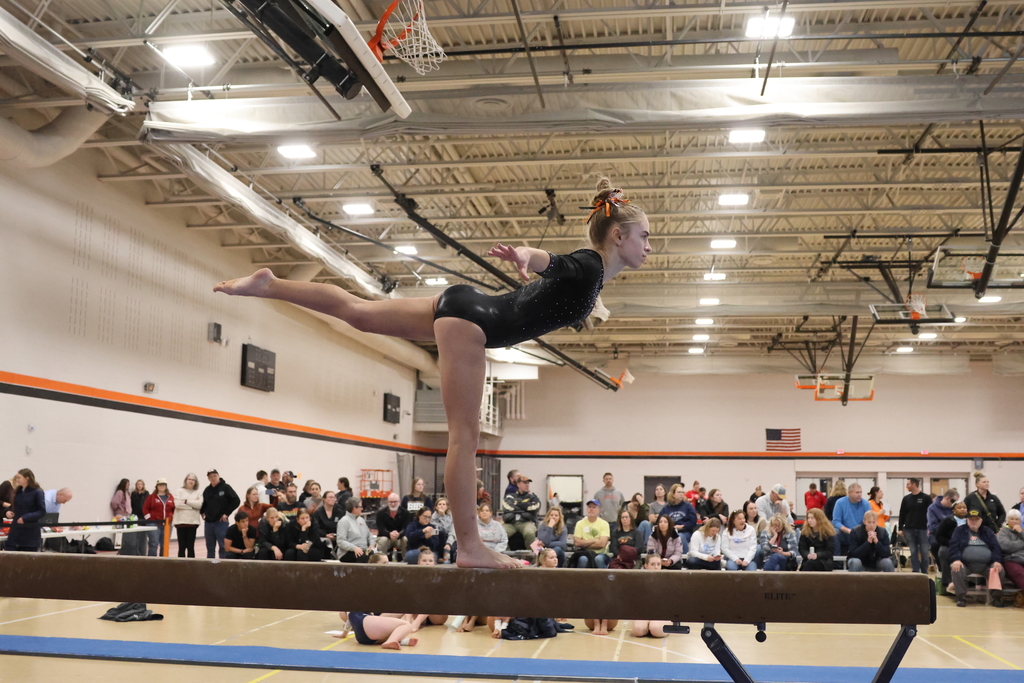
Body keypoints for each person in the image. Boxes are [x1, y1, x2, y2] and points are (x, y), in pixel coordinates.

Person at [215, 176, 652, 569]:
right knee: (464, 438)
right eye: (645, 236)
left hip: (463, 304)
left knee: (359, 313)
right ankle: (470, 546)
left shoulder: (593, 276)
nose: (649, 246)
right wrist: (527, 256)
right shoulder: (590, 265)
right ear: (618, 235)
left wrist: (547, 276)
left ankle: (270, 285)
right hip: (475, 325)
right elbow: (554, 262)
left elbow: (559, 278)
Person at [949, 509, 1006, 607]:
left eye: (976, 519)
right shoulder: (959, 531)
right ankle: (961, 597)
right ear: (967, 520)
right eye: (971, 519)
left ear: (981, 520)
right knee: (956, 569)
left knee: (999, 570)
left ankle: (996, 598)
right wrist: (956, 559)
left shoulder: (988, 531)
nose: (974, 521)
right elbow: (954, 546)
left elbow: (996, 547)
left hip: (986, 565)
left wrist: (997, 561)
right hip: (966, 564)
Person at [201, 469, 240, 559]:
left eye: (215, 476)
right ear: (208, 479)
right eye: (210, 477)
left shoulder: (226, 488)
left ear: (218, 476)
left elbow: (236, 500)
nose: (213, 478)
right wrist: (202, 512)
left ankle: (223, 564)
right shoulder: (207, 490)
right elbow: (204, 503)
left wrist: (227, 513)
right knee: (210, 546)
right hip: (209, 523)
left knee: (223, 546)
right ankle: (210, 564)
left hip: (221, 522)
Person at [632, 554, 673, 638]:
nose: (656, 567)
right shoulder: (639, 580)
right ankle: (647, 626)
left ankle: (660, 625)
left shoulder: (667, 578)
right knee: (638, 631)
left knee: (656, 630)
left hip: (661, 612)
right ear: (646, 566)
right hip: (644, 612)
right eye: (652, 564)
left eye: (658, 564)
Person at [5, 469, 46, 552]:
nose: (17, 480)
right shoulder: (18, 491)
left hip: (30, 534)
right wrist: (7, 511)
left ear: (27, 478)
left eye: (19, 478)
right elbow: (13, 506)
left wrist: (25, 518)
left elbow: (41, 511)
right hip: (15, 532)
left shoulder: (37, 492)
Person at [336, 611, 419, 650]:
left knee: (390, 629)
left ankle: (401, 641)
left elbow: (348, 622)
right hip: (365, 621)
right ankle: (390, 641)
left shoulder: (350, 610)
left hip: (361, 638)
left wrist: (344, 634)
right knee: (406, 625)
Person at [898, 478, 932, 574]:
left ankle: (924, 572)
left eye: (908, 484)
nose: (907, 486)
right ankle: (916, 572)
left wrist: (930, 527)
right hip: (909, 529)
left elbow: (931, 513)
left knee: (924, 552)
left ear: (914, 484)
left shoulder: (926, 498)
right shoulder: (906, 499)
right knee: (913, 552)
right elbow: (902, 514)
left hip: (923, 529)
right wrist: (900, 528)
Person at [936, 501, 968, 595]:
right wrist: (951, 543)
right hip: (950, 545)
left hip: (968, 545)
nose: (962, 509)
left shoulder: (971, 520)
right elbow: (939, 536)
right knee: (943, 552)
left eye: (964, 508)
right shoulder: (947, 521)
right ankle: (948, 582)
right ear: (954, 510)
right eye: (959, 508)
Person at [831, 483, 871, 557]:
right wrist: (848, 531)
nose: (859, 495)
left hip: (860, 533)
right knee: (834, 533)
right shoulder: (840, 502)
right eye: (857, 492)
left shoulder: (866, 503)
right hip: (845, 533)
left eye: (861, 492)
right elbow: (836, 522)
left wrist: (857, 532)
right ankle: (837, 560)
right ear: (849, 493)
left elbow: (869, 520)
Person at [502, 475, 541, 547]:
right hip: (511, 522)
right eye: (525, 483)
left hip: (527, 522)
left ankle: (531, 553)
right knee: (501, 532)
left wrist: (517, 504)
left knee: (529, 533)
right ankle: (505, 553)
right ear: (518, 484)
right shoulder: (510, 496)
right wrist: (525, 508)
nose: (527, 485)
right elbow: (507, 507)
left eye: (528, 483)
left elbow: (535, 507)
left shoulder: (533, 497)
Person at [573, 499, 612, 568]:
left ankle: (604, 575)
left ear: (599, 510)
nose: (591, 509)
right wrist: (594, 540)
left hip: (600, 553)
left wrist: (584, 543)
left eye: (594, 507)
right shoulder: (579, 523)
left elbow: (602, 544)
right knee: (583, 559)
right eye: (589, 507)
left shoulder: (604, 524)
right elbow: (577, 542)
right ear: (586, 509)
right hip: (584, 552)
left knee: (599, 559)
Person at [142, 479, 175, 556]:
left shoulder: (170, 497)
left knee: (165, 544)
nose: (162, 486)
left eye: (163, 485)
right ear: (157, 486)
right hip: (154, 524)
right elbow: (145, 509)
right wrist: (150, 519)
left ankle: (163, 560)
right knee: (154, 544)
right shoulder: (151, 497)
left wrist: (172, 517)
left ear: (166, 486)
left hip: (167, 524)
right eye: (160, 485)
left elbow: (174, 508)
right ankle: (152, 561)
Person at [336, 497, 374, 563]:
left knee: (376, 556)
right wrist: (354, 548)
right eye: (360, 507)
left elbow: (369, 535)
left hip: (363, 550)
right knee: (364, 556)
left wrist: (371, 545)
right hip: (348, 552)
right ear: (354, 508)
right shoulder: (343, 521)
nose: (362, 508)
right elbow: (340, 541)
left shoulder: (361, 520)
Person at [174, 473, 203, 558]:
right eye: (189, 479)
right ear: (186, 480)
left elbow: (199, 505)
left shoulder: (198, 492)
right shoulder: (179, 491)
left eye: (193, 480)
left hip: (193, 522)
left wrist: (186, 501)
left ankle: (191, 565)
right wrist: (193, 506)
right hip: (180, 522)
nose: (191, 481)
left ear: (196, 482)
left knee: (191, 547)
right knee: (181, 547)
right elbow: (177, 504)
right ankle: (180, 565)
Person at [375, 492, 411, 559]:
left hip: (399, 538)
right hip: (385, 537)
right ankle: (381, 560)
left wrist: (399, 534)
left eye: (395, 502)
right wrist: (389, 534)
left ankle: (406, 559)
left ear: (399, 502)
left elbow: (406, 528)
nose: (393, 504)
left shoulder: (406, 513)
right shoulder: (380, 513)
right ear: (387, 502)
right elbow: (381, 528)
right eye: (391, 502)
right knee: (383, 540)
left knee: (405, 539)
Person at [997, 509, 1024, 590]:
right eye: (1012, 519)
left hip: (1022, 559)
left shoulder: (1022, 532)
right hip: (1011, 560)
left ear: (1020, 521)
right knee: (1020, 574)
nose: (1014, 521)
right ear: (1008, 520)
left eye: (1017, 519)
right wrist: (1022, 542)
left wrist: (1021, 532)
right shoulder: (1003, 532)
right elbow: (1006, 546)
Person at [927, 488, 959, 556]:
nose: (954, 504)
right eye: (953, 501)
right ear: (947, 498)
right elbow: (933, 526)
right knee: (936, 545)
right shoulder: (932, 508)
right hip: (937, 535)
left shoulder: (954, 508)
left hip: (952, 534)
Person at [430, 497, 456, 563]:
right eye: (440, 504)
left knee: (452, 549)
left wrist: (448, 543)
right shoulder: (433, 517)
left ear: (447, 507)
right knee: (442, 533)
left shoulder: (452, 517)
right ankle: (440, 557)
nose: (442, 506)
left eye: (444, 504)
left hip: (449, 537)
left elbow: (451, 532)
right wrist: (442, 516)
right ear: (436, 507)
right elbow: (437, 531)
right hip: (436, 536)